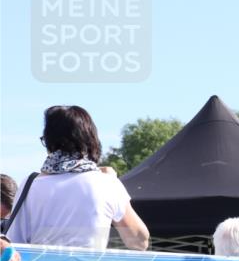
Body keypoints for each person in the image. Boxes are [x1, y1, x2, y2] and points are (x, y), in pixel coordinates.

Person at [6, 106, 149, 251]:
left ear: (49, 142)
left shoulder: (29, 185)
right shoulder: (107, 184)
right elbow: (139, 241)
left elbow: (15, 244)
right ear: (90, 140)